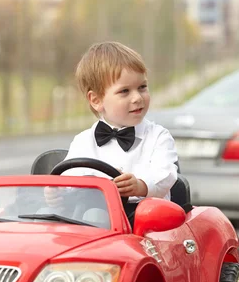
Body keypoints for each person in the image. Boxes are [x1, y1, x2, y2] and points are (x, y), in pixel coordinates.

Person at [45, 41, 178, 228]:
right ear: (97, 100)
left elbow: (166, 175)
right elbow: (72, 182)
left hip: (144, 219)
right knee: (44, 216)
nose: (137, 98)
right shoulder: (83, 141)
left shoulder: (158, 137)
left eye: (142, 87)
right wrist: (58, 196)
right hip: (92, 218)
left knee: (102, 217)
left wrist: (140, 185)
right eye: (125, 91)